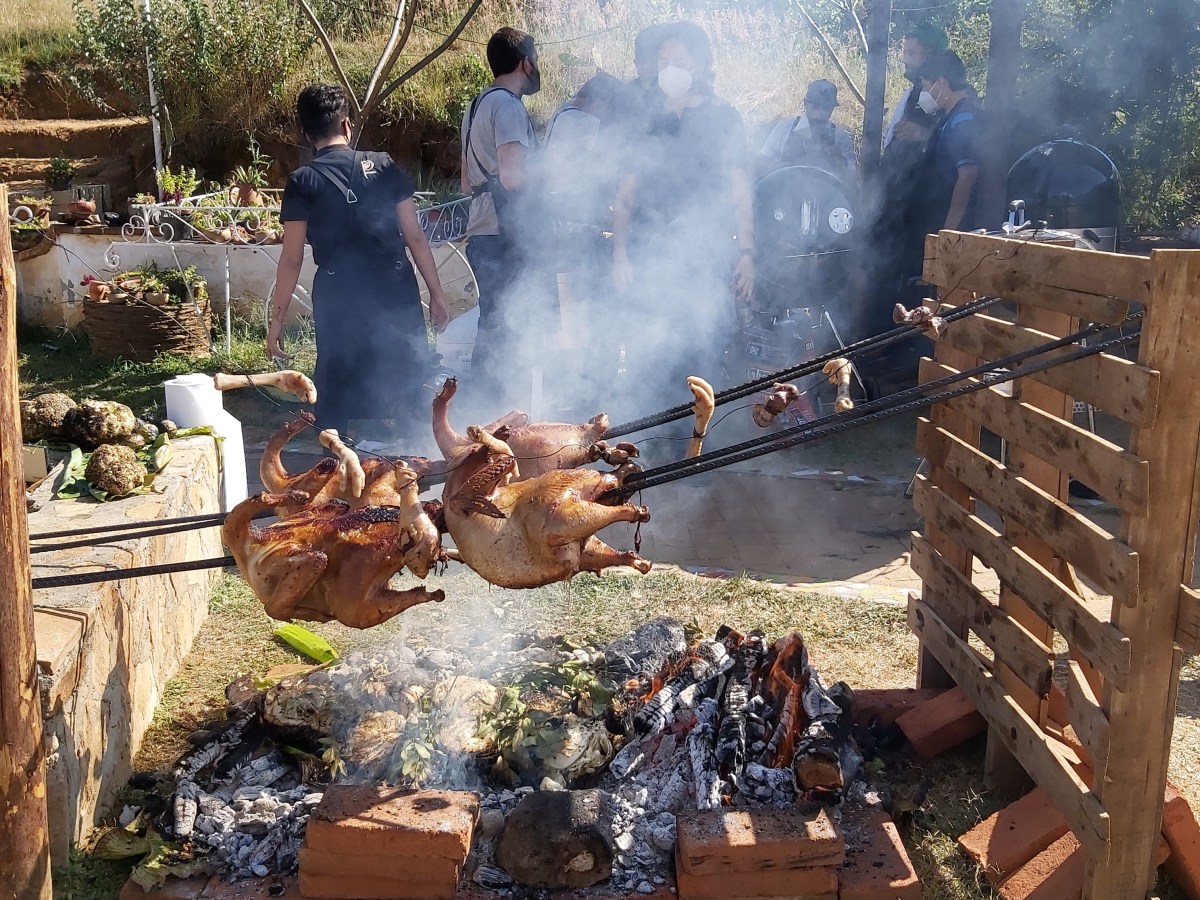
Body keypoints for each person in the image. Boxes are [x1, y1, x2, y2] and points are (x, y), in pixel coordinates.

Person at [267, 84, 449, 445]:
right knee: (407, 377)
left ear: (306, 133)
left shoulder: (302, 181)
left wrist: (276, 322)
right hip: (394, 289)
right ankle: (421, 460)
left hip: (339, 294)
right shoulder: (383, 166)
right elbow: (414, 236)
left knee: (336, 384)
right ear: (347, 125)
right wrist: (437, 294)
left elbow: (291, 258)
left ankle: (336, 469)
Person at [611, 21, 754, 433]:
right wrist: (620, 254)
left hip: (705, 260)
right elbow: (625, 196)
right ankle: (650, 454)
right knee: (650, 359)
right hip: (648, 257)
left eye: (679, 61)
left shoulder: (724, 119)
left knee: (702, 358)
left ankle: (695, 459)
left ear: (701, 64)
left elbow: (740, 194)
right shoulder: (645, 121)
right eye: (663, 61)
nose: (670, 69)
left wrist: (747, 255)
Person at [459, 27, 545, 414]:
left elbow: (466, 180)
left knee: (492, 324)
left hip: (482, 231)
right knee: (511, 327)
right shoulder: (508, 106)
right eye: (536, 59)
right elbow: (512, 177)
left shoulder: (476, 104)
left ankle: (482, 412)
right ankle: (502, 416)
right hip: (506, 232)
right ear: (526, 62)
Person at [543, 72, 628, 409]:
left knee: (571, 321)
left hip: (560, 236)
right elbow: (600, 175)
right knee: (581, 324)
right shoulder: (582, 123)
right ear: (602, 102)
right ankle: (585, 400)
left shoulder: (561, 116)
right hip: (575, 239)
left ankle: (575, 395)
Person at [917, 50, 983, 235]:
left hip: (956, 228)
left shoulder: (963, 119)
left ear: (941, 82)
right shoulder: (949, 116)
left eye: (925, 86)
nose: (923, 93)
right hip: (936, 217)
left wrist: (948, 232)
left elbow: (968, 175)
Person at [758, 79, 857, 180]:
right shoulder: (784, 128)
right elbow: (762, 163)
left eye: (826, 108)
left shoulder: (841, 138)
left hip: (826, 194)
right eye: (816, 106)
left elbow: (851, 180)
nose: (820, 113)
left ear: (832, 108)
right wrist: (779, 167)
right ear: (805, 103)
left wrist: (840, 162)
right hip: (784, 191)